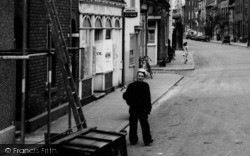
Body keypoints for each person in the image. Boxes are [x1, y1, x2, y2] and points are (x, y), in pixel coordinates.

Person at [123, 70, 153, 146]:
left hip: (143, 110)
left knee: (145, 126)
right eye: (139, 76)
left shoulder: (146, 85)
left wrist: (148, 109)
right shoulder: (131, 86)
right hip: (134, 109)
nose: (140, 77)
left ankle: (147, 140)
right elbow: (126, 96)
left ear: (144, 78)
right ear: (137, 77)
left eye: (142, 76)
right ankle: (133, 140)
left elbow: (148, 98)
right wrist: (130, 103)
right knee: (133, 125)